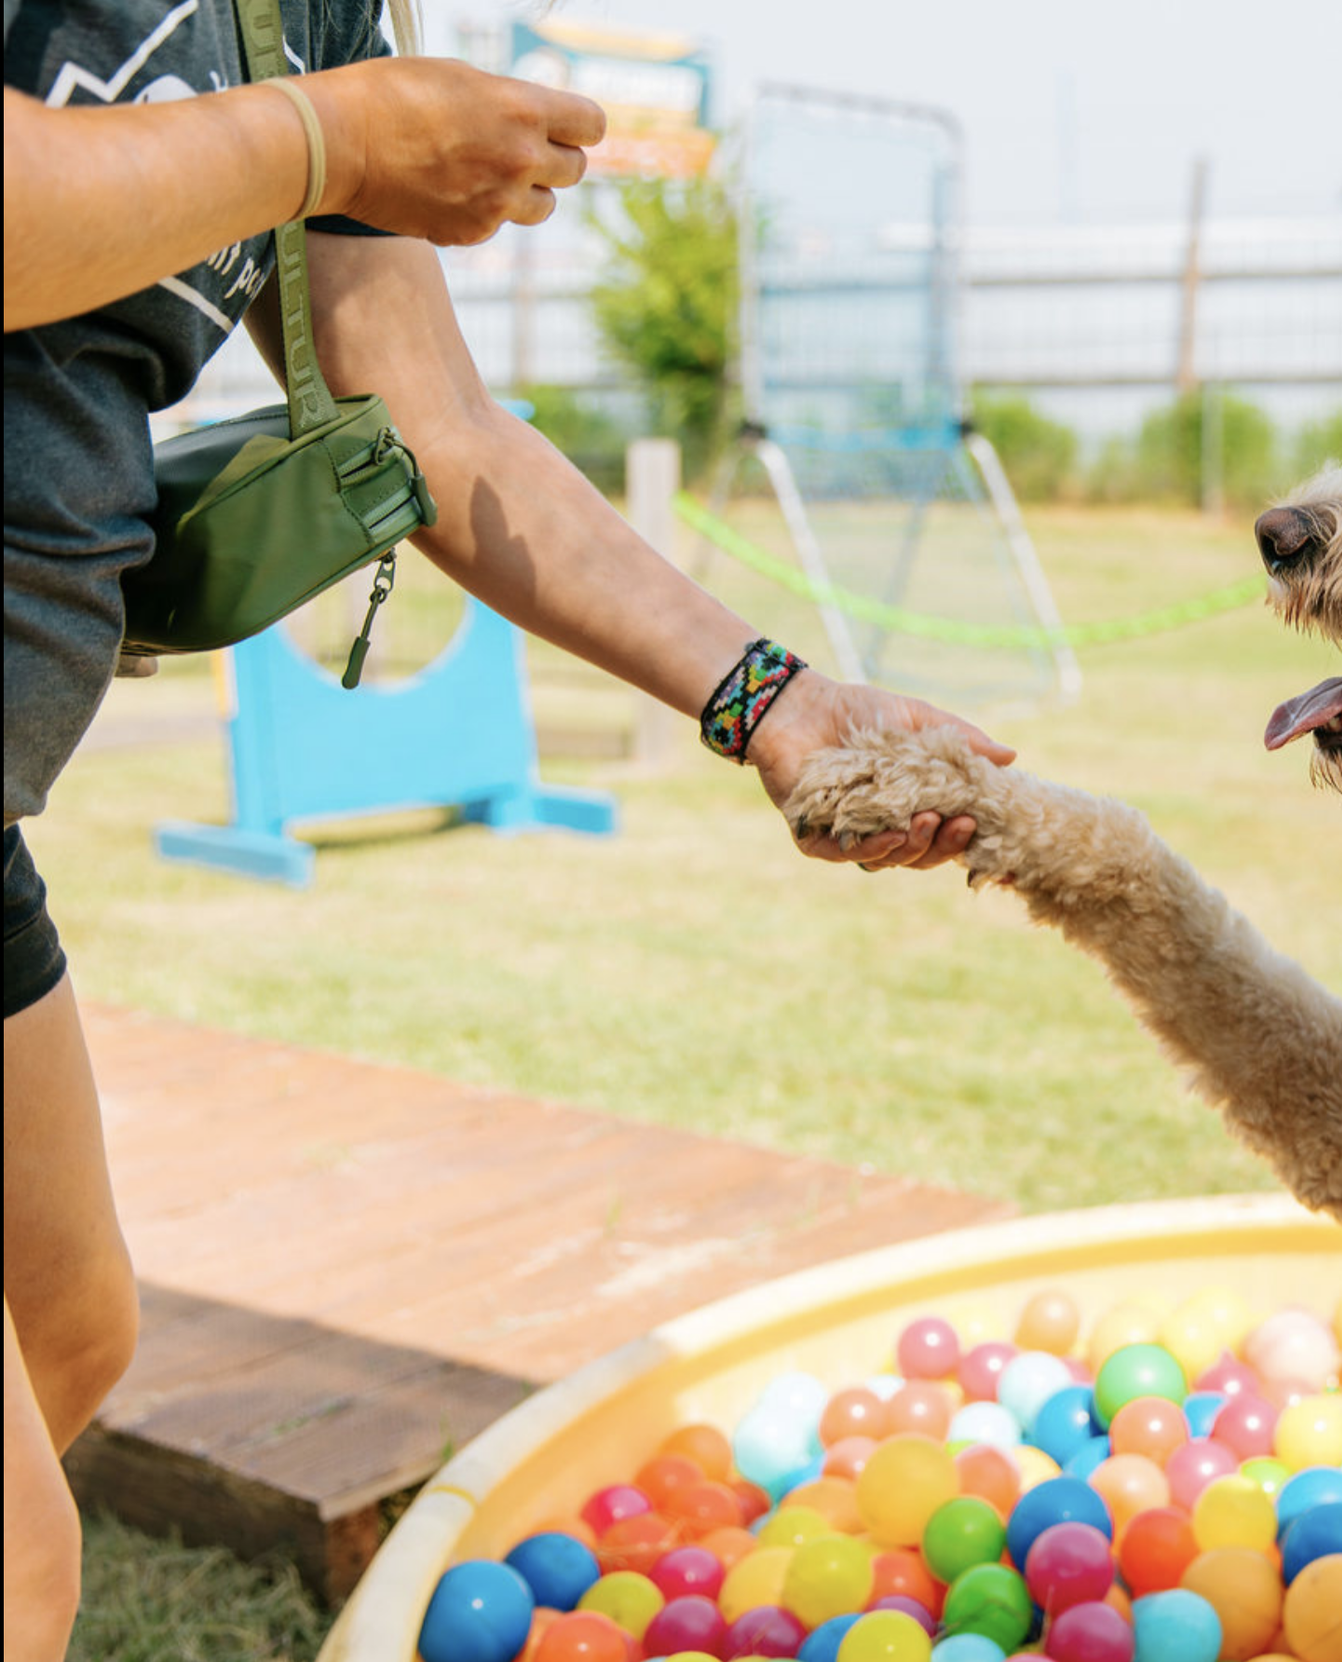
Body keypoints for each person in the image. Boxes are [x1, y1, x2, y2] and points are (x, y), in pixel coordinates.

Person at [3, 2, 1011, 1651]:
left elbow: (437, 424)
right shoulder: (320, 90)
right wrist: (330, 137)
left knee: (62, 1325)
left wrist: (773, 698)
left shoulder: (306, 13)